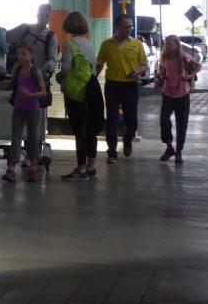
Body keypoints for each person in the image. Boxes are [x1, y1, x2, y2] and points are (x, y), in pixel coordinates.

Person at [58, 11, 104, 181]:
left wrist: (58, 78)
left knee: (79, 131)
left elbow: (65, 71)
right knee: (91, 130)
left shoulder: (70, 45)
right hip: (91, 91)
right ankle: (91, 167)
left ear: (68, 26)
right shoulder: (89, 44)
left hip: (75, 94)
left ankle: (81, 169)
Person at [96, 14, 148, 163]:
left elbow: (144, 64)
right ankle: (111, 151)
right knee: (111, 117)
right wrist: (92, 79)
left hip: (130, 85)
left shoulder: (136, 44)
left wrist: (137, 71)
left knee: (132, 121)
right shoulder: (107, 44)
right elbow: (100, 64)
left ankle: (127, 139)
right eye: (126, 26)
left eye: (131, 26)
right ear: (117, 27)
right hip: (112, 85)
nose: (129, 29)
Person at [2, 42, 47, 183]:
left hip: (32, 109)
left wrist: (30, 94)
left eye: (24, 54)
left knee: (32, 138)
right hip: (18, 108)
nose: (21, 56)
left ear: (31, 55)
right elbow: (11, 85)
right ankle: (11, 168)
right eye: (19, 54)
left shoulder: (36, 71)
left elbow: (43, 92)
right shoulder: (17, 69)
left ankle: (33, 168)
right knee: (15, 138)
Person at [155, 34, 200, 164]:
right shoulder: (164, 57)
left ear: (176, 44)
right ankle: (169, 147)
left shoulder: (184, 57)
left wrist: (190, 75)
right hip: (168, 93)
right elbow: (161, 72)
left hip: (182, 94)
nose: (167, 46)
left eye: (170, 44)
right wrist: (159, 79)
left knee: (182, 124)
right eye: (166, 44)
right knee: (164, 120)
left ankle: (178, 151)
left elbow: (198, 66)